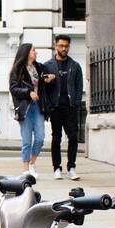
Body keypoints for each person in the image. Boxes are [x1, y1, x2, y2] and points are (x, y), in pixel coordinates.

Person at [43, 34, 85, 180]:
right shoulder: (48, 66)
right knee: (56, 138)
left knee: (73, 137)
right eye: (61, 46)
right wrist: (48, 105)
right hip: (55, 107)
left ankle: (71, 167)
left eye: (66, 46)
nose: (64, 48)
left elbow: (79, 86)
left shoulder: (75, 65)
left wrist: (77, 102)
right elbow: (43, 88)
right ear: (55, 46)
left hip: (70, 107)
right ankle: (57, 168)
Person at [9, 42, 54, 177]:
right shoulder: (18, 70)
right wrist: (28, 92)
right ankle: (25, 169)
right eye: (34, 50)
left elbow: (44, 81)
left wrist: (48, 79)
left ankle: (32, 163)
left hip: (38, 106)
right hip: (26, 107)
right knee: (27, 140)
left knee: (40, 138)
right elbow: (13, 88)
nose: (36, 52)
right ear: (27, 52)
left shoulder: (39, 67)